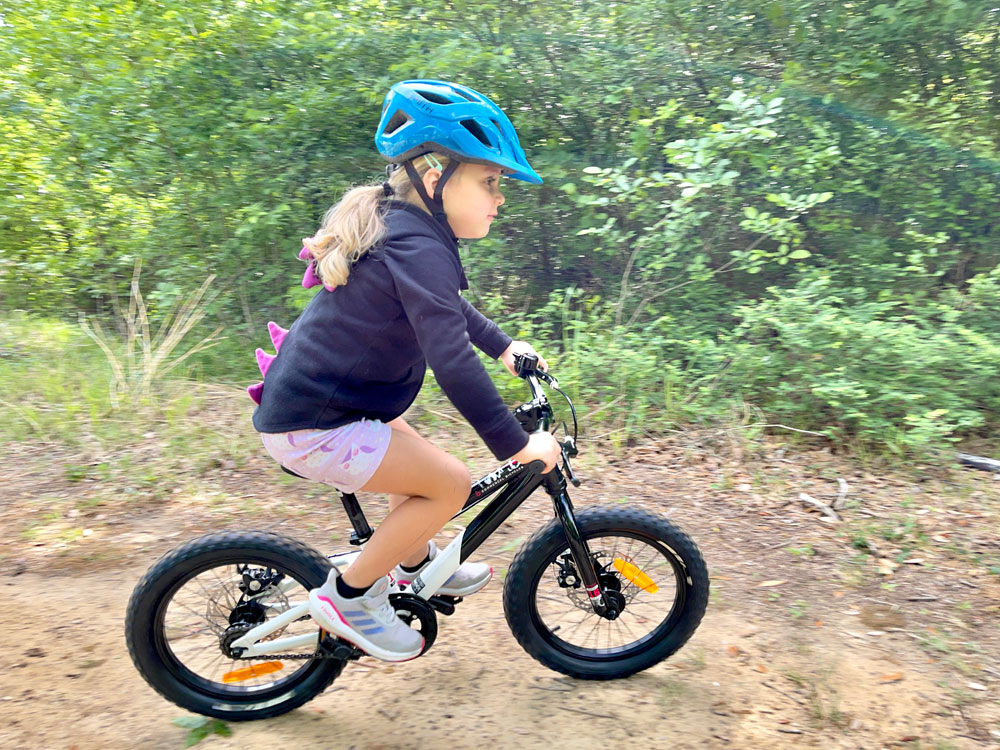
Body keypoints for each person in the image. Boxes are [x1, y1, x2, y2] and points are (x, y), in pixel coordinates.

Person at [249, 80, 562, 662]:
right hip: (315, 423)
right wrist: (515, 447)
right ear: (437, 177)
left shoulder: (407, 229)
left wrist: (504, 346)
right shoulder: (418, 245)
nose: (499, 198)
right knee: (447, 484)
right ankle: (350, 598)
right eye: (490, 181)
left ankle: (416, 564)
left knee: (410, 451)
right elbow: (450, 361)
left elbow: (446, 310)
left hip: (317, 410)